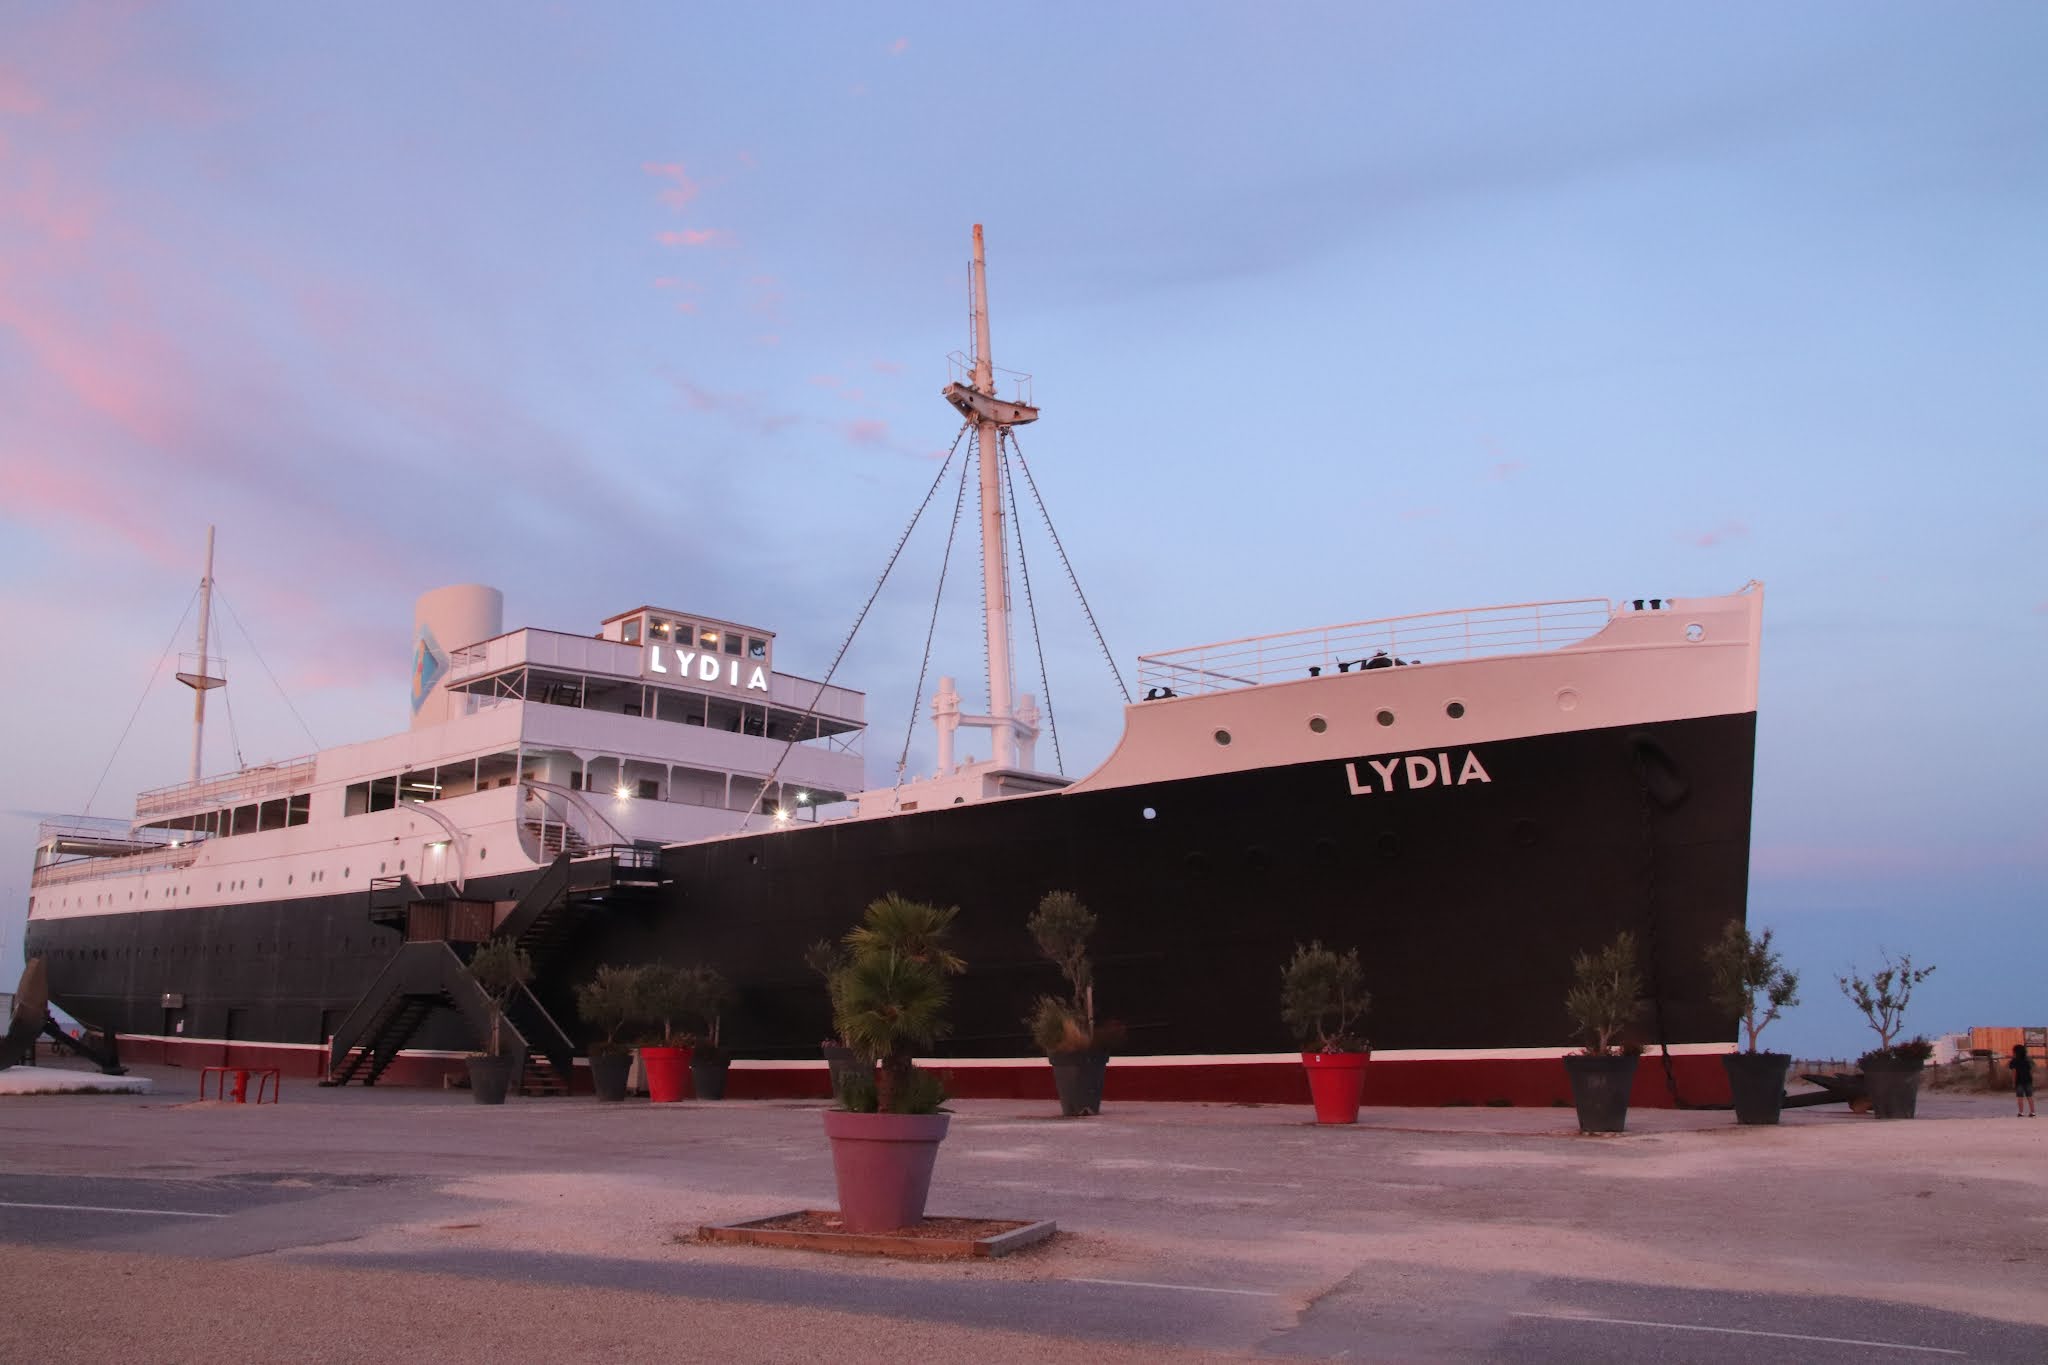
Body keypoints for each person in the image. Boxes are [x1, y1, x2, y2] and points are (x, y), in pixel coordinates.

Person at [2013, 1044, 2035, 1119]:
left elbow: (2014, 1071)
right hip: (2028, 1080)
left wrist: (2014, 1081)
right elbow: (2031, 1070)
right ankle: (2032, 1112)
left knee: (2020, 1097)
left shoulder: (2015, 1060)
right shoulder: (2028, 1060)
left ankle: (2021, 1112)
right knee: (2030, 1096)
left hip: (2019, 1080)